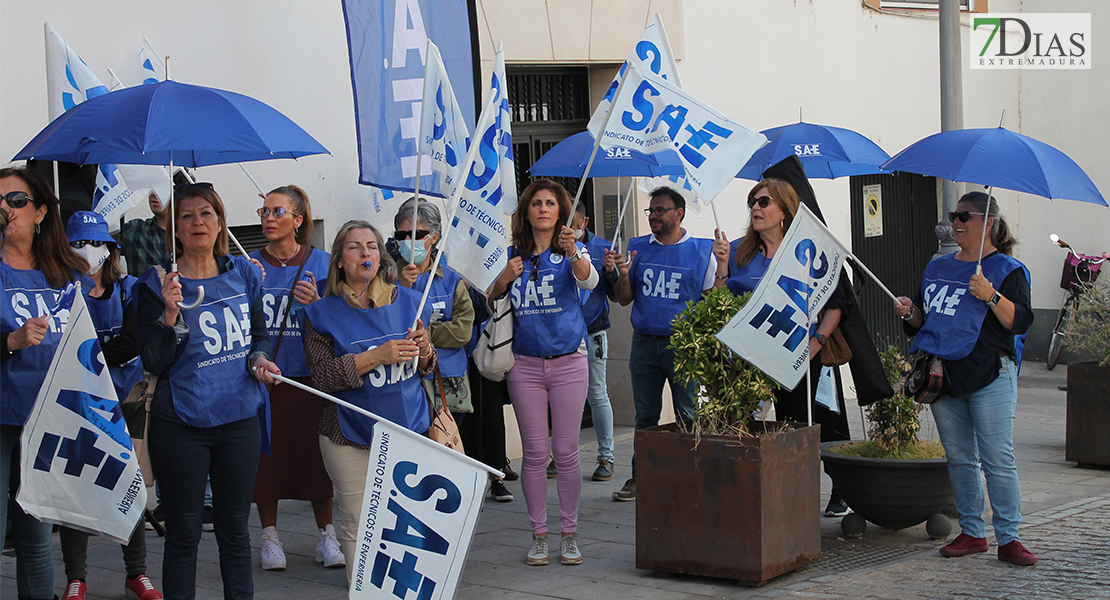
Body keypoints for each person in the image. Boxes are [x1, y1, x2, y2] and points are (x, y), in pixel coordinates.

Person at [137, 183, 281, 599]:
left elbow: (260, 335)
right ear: (176, 229)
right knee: (183, 535)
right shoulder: (155, 283)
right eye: (187, 216)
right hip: (181, 423)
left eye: (206, 214)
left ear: (221, 222)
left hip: (239, 420)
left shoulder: (246, 272)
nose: (197, 222)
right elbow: (153, 360)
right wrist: (169, 313)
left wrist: (258, 359)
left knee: (236, 531)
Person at [893, 191, 1037, 566]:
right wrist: (910, 313)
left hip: (989, 374)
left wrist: (991, 296)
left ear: (988, 223)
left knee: (997, 459)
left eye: (964, 216)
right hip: (945, 377)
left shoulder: (1007, 269)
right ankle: (972, 533)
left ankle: (1009, 538)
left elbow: (1019, 322)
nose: (955, 221)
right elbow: (926, 323)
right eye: (953, 215)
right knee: (959, 458)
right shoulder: (937, 266)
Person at [301, 220, 435, 583]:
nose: (365, 253)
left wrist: (424, 350)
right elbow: (323, 378)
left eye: (372, 246)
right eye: (355, 247)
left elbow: (427, 366)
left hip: (409, 427)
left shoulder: (409, 299)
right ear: (340, 260)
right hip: (348, 434)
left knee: (408, 524)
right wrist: (376, 356)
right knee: (358, 523)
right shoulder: (319, 313)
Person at [716, 178, 854, 517]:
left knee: (821, 426)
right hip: (757, 359)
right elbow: (720, 305)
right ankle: (781, 496)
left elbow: (836, 303)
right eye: (752, 202)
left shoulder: (808, 250)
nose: (755, 208)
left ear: (784, 211)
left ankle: (841, 491)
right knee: (763, 428)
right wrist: (721, 269)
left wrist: (815, 343)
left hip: (807, 356)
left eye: (764, 202)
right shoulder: (737, 252)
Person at [488, 179, 598, 566]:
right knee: (534, 454)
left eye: (551, 203)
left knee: (566, 452)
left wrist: (573, 254)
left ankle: (569, 534)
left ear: (561, 212)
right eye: (536, 203)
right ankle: (539, 535)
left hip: (569, 363)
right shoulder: (510, 256)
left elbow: (590, 280)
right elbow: (491, 302)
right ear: (526, 211)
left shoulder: (571, 250)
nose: (543, 209)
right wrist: (502, 279)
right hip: (525, 368)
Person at [60, 211, 162, 600]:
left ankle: (136, 572)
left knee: (129, 485)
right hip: (77, 402)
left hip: (125, 402)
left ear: (112, 248)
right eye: (80, 243)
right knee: (76, 487)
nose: (90, 251)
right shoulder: (63, 290)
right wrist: (105, 352)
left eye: (98, 243)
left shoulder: (130, 288)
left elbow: (132, 343)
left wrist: (89, 351)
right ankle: (77, 576)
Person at [1, 166, 87, 600]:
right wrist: (10, 341)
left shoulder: (67, 271)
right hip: (2, 417)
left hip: (49, 418)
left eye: (15, 201)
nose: (5, 209)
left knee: (37, 538)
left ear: (39, 213)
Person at [603, 186, 719, 502]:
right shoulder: (638, 247)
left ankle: (688, 476)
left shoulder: (701, 251)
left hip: (682, 345)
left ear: (678, 213)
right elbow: (625, 299)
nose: (653, 215)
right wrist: (623, 275)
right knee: (645, 417)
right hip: (644, 344)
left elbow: (711, 301)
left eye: (660, 210)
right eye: (651, 210)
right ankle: (641, 478)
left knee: (687, 413)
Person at [392, 198, 511, 503]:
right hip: (406, 379)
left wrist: (422, 335)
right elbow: (385, 325)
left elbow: (461, 330)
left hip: (449, 380)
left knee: (447, 445)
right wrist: (400, 288)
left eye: (417, 234)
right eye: (402, 235)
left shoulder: (454, 277)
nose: (409, 241)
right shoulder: (388, 278)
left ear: (433, 237)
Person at [247, 185, 341, 572]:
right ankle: (269, 537)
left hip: (310, 377)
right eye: (264, 212)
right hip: (266, 378)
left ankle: (327, 534)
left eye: (277, 212)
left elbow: (341, 320)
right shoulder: (248, 264)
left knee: (317, 460)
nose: (268, 218)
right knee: (267, 462)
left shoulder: (322, 263)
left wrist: (316, 305)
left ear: (298, 220)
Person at [570, 201, 616, 481]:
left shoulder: (602, 248)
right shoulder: (552, 247)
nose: (569, 230)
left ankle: (606, 457)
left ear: (585, 222)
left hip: (593, 329)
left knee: (597, 393)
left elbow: (615, 293)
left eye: (574, 224)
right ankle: (560, 456)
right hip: (563, 334)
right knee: (564, 398)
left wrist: (611, 271)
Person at [122, 190, 171, 277]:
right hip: (141, 290)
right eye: (152, 188)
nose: (154, 194)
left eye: (163, 188)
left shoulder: (191, 236)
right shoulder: (134, 231)